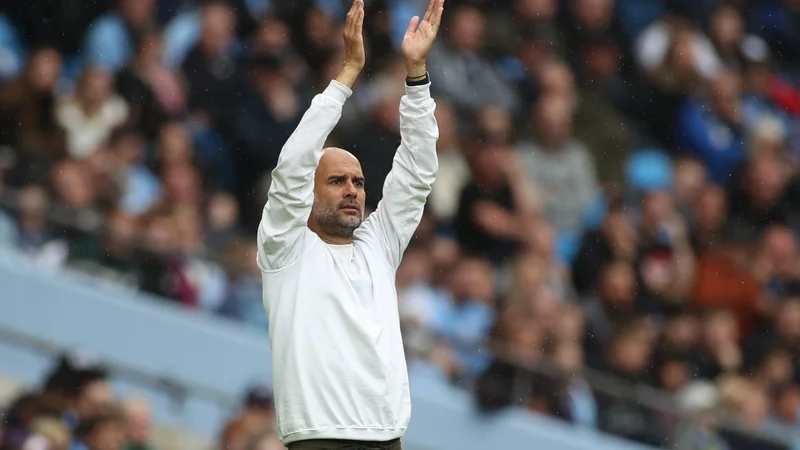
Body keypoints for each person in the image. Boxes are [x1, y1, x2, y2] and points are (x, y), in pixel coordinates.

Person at [256, 0, 444, 448]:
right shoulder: (285, 249)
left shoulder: (379, 244)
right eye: (337, 180)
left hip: (389, 439)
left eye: (359, 182)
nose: (353, 190)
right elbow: (293, 163)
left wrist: (416, 76)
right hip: (319, 439)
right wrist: (346, 76)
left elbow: (417, 173)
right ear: (309, 194)